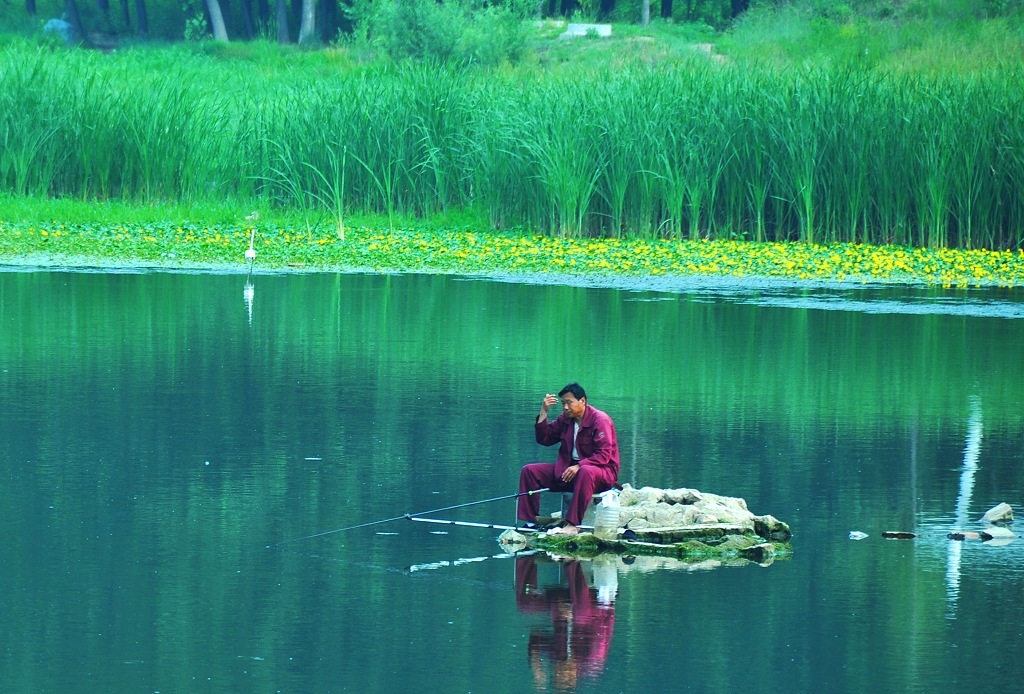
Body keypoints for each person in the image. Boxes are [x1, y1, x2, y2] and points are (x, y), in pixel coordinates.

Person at [518, 383, 620, 536]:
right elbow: (544, 439)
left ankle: (573, 525)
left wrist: (579, 465)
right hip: (571, 471)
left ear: (582, 401)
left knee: (586, 471)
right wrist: (544, 411)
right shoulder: (565, 420)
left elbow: (604, 455)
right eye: (563, 403)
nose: (565, 407)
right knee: (530, 471)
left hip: (601, 473)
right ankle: (531, 522)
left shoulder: (600, 420)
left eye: (569, 402)